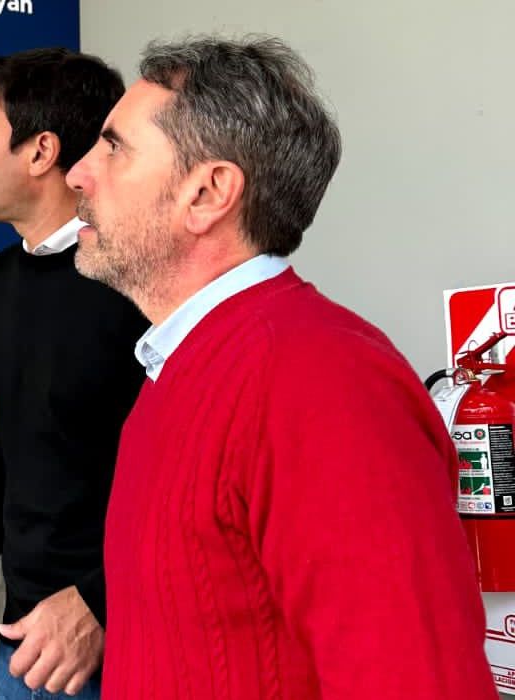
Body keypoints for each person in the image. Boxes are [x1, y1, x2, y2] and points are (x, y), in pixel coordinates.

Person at [65, 35, 495, 700]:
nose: (78, 173)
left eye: (114, 147)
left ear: (207, 193)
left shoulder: (321, 379)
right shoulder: (178, 371)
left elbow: (415, 679)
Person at [0, 48, 148, 699]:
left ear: (41, 150)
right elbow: (18, 441)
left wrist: (101, 602)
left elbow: (189, 475)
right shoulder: (2, 281)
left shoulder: (141, 280)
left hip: (129, 647)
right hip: (26, 647)